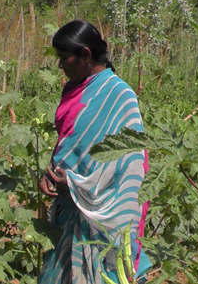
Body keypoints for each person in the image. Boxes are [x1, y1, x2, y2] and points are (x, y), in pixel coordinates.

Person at [38, 20, 151, 284]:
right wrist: (50, 174)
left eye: (64, 58)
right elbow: (69, 147)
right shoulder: (76, 89)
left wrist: (76, 183)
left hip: (100, 213)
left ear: (85, 55)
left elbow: (129, 162)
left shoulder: (119, 95)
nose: (60, 65)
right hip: (69, 209)